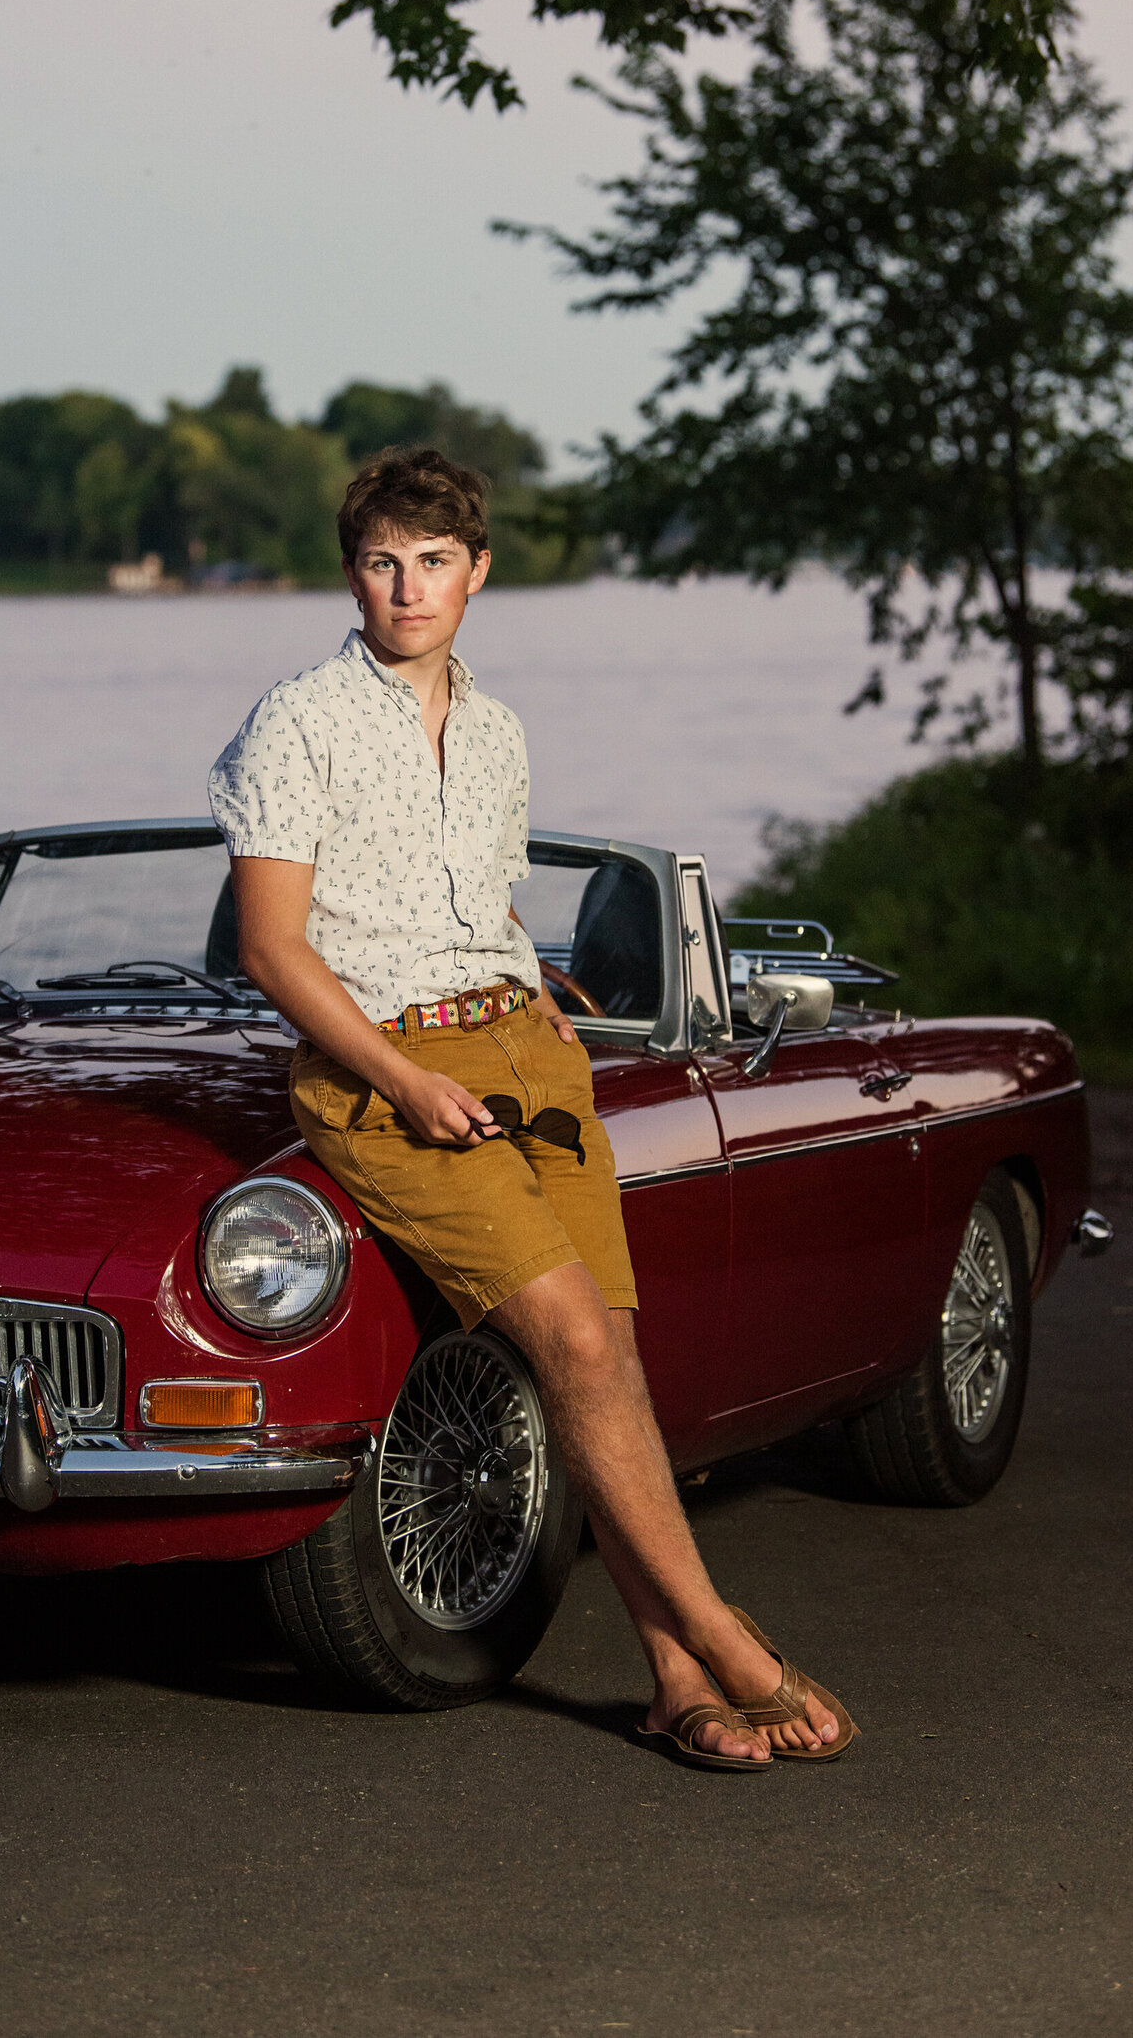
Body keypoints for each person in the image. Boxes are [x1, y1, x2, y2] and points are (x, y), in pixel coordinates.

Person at [208, 446, 856, 1768]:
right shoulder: (298, 720)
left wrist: (530, 992)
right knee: (569, 1338)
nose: (408, 587)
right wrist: (405, 1077)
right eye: (384, 561)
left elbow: (482, 897)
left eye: (434, 562)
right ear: (354, 572)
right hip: (390, 1077)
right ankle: (730, 1639)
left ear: (476, 573)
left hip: (524, 1055)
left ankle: (674, 1680)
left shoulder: (498, 730)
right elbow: (274, 949)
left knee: (605, 1359)